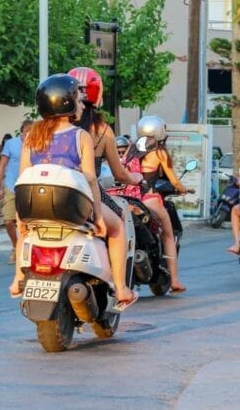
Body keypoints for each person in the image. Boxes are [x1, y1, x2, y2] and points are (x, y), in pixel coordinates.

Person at [10, 74, 140, 311]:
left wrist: (21, 217)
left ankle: (18, 278)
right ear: (67, 103)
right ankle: (121, 288)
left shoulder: (31, 135)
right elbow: (90, 178)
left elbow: (23, 177)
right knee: (118, 228)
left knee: (26, 234)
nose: (82, 105)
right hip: (70, 205)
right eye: (79, 101)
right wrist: (98, 216)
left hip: (34, 203)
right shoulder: (81, 136)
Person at [69, 67, 142, 309]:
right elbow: (118, 172)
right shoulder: (102, 131)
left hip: (54, 191)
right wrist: (135, 178)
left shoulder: (53, 127)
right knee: (119, 223)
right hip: (89, 193)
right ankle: (120, 286)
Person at [123, 115, 188, 293]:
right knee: (168, 236)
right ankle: (174, 280)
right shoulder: (159, 153)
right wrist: (183, 189)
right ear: (160, 132)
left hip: (128, 199)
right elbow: (174, 181)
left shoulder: (131, 149)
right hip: (149, 199)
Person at [0, 119, 33, 264]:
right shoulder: (11, 144)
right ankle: (15, 245)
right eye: (26, 132)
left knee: (25, 223)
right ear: (21, 131)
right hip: (11, 185)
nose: (28, 135)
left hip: (28, 187)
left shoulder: (37, 145)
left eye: (31, 132)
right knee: (8, 220)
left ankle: (23, 250)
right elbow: (2, 165)